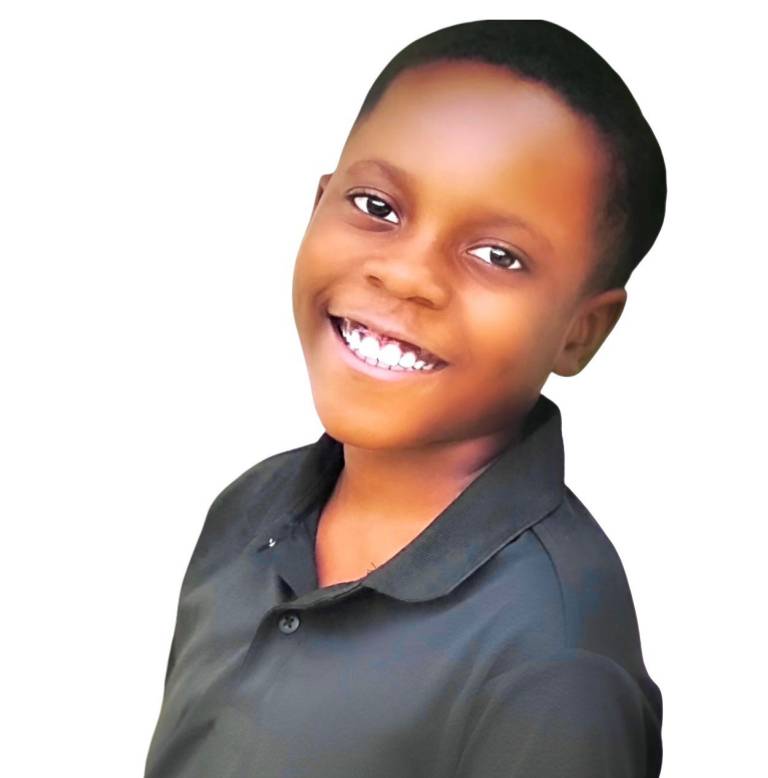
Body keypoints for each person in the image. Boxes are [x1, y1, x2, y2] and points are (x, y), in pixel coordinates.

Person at [144, 18, 667, 778]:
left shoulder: (553, 662)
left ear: (581, 332)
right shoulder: (247, 515)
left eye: (499, 255)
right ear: (319, 202)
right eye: (377, 207)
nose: (407, 275)